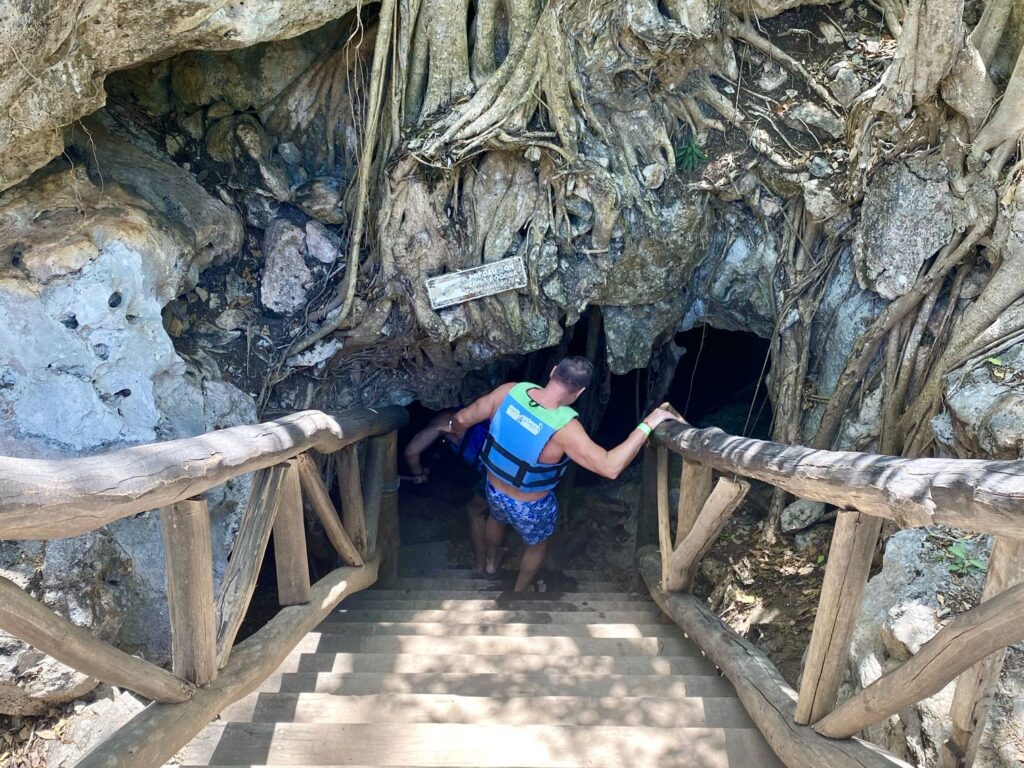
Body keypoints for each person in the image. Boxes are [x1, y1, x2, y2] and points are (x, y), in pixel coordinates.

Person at [448, 356, 681, 591]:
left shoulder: (509, 392)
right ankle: (518, 592)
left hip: (494, 488)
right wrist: (648, 423)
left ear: (553, 372)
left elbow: (460, 419)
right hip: (530, 506)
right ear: (580, 392)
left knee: (495, 518)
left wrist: (453, 431)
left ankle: (489, 565)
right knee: (536, 545)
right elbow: (610, 467)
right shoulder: (566, 429)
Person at [403, 409, 491, 573]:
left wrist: (418, 473)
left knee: (475, 511)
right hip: (509, 463)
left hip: (492, 474)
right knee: (493, 509)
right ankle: (492, 560)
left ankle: (481, 566)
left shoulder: (438, 424)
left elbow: (411, 452)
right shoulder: (469, 411)